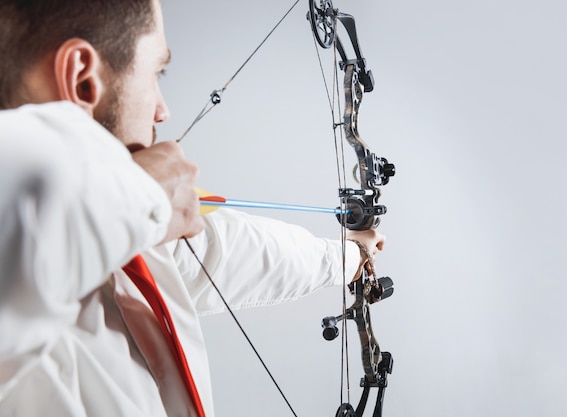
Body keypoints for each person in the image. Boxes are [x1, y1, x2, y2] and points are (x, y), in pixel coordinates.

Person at [0, 0, 385, 416]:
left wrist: (346, 255)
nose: (162, 112)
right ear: (83, 81)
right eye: (155, 72)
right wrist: (138, 193)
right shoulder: (73, 219)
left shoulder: (124, 238)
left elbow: (240, 251)